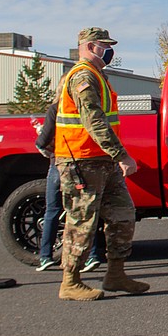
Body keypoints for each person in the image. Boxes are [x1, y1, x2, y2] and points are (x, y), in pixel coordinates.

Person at [54, 27, 149, 301]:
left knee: (122, 215)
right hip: (82, 161)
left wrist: (113, 156)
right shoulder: (83, 76)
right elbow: (93, 120)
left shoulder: (98, 76)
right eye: (104, 45)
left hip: (101, 160)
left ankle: (116, 275)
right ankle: (70, 282)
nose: (109, 51)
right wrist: (121, 155)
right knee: (82, 221)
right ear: (91, 46)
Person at [34, 98, 101, 274]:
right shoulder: (88, 107)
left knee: (52, 210)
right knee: (85, 211)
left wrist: (45, 144)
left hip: (58, 163)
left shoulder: (56, 109)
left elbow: (42, 141)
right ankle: (92, 255)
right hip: (82, 163)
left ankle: (45, 256)